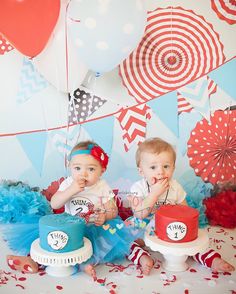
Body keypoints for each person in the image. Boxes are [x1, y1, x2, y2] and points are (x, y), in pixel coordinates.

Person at [7, 141, 138, 278]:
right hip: (68, 226)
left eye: (91, 169)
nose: (83, 174)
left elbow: (113, 210)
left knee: (97, 243)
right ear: (70, 167)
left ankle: (87, 263)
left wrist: (105, 216)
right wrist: (71, 190)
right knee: (51, 241)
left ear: (102, 171)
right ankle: (32, 260)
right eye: (77, 168)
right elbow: (55, 204)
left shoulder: (102, 187)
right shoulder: (69, 183)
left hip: (93, 227)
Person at [127, 137, 235, 275]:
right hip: (144, 225)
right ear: (141, 171)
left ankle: (212, 260)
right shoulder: (138, 187)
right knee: (127, 243)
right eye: (153, 167)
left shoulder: (175, 187)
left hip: (170, 228)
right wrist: (154, 194)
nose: (160, 171)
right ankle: (143, 258)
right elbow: (139, 213)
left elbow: (185, 211)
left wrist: (185, 231)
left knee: (191, 245)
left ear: (173, 168)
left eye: (166, 166)